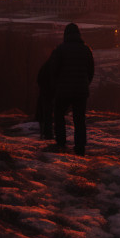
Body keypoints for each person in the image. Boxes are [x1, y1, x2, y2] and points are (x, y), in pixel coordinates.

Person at [45, 23, 95, 156]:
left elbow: (53, 70)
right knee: (79, 119)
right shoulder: (86, 49)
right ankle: (80, 147)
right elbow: (91, 71)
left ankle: (61, 142)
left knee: (59, 115)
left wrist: (56, 86)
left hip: (63, 89)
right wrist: (85, 83)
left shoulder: (60, 50)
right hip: (80, 90)